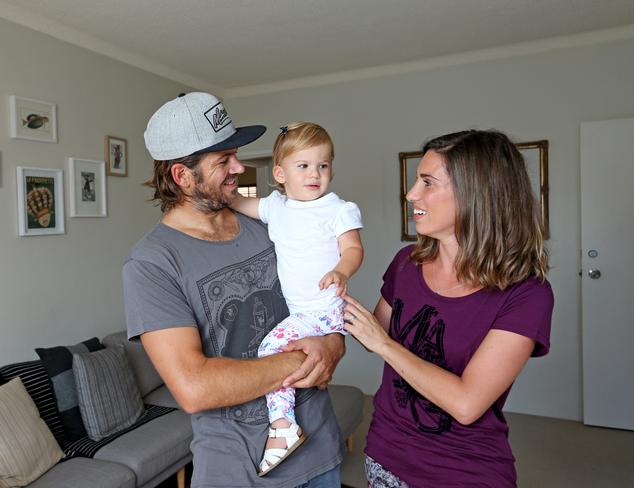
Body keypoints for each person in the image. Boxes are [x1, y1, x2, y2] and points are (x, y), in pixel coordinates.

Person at [122, 92, 345, 488]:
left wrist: (333, 343)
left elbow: (324, 300)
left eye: (234, 154)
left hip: (321, 452)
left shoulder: (270, 225)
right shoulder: (153, 264)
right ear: (182, 176)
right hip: (238, 472)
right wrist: (308, 358)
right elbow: (194, 388)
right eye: (223, 160)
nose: (239, 167)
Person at [342, 130, 554, 487]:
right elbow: (375, 332)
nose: (411, 194)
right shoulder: (407, 262)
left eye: (427, 182)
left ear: (477, 194)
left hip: (462, 469)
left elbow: (467, 403)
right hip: (385, 452)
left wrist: (382, 344)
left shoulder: (527, 295)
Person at [231, 122, 364, 475]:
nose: (315, 174)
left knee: (269, 349)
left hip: (323, 308)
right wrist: (220, 193)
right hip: (303, 311)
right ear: (280, 174)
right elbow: (238, 202)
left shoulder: (338, 208)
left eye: (323, 165)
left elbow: (353, 248)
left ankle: (282, 427)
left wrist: (342, 271)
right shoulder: (277, 207)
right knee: (294, 355)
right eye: (303, 166)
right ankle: (294, 408)